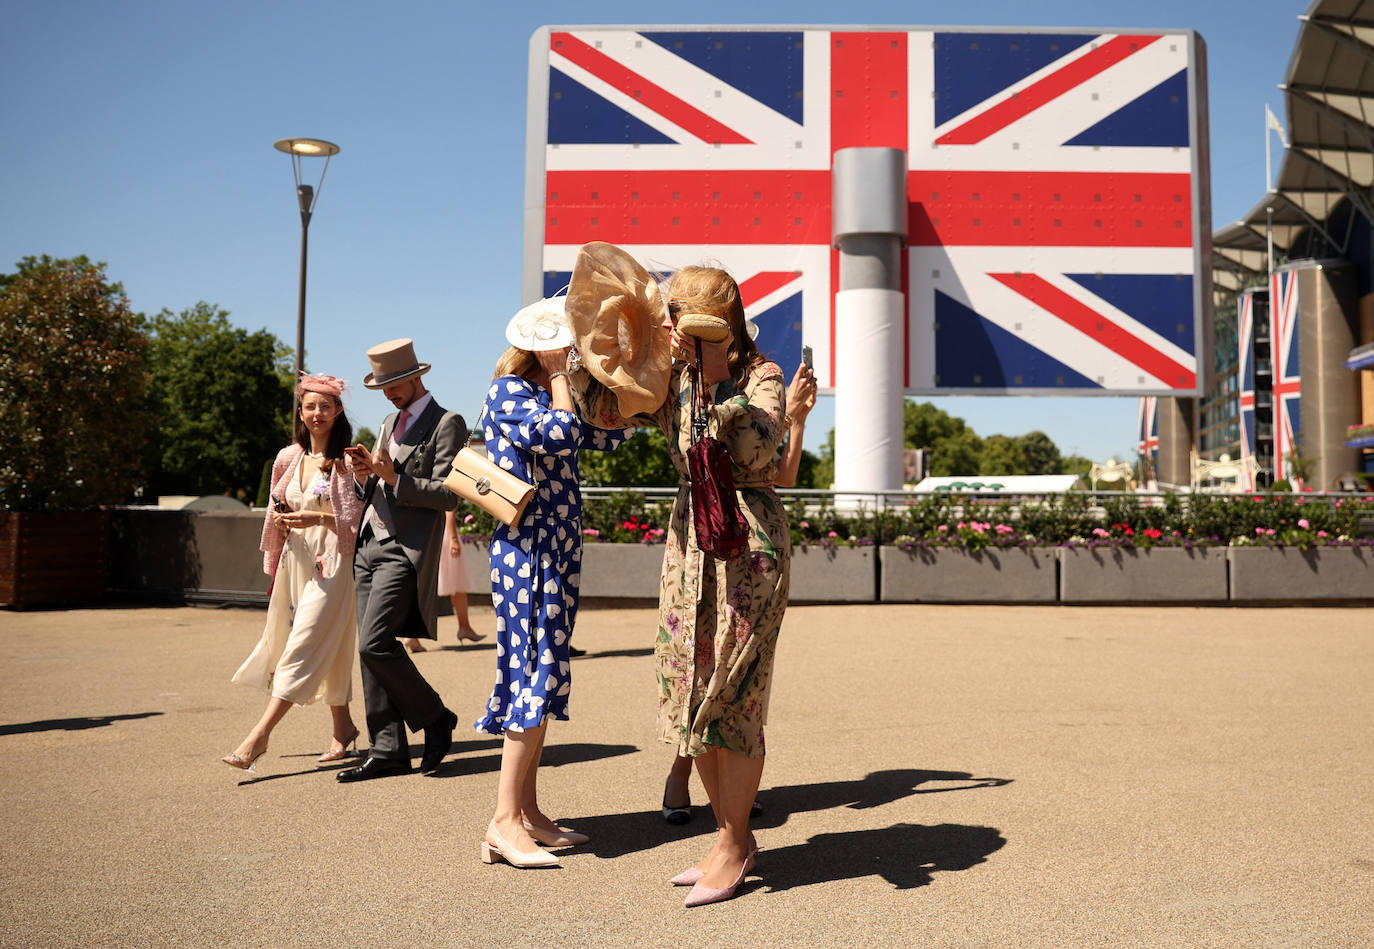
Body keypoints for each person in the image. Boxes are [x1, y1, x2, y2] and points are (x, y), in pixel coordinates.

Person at [568, 248, 797, 907]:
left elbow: (759, 450)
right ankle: (732, 837)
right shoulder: (667, 378)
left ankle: (732, 842)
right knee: (687, 693)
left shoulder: (763, 376)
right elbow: (600, 407)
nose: (682, 335)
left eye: (691, 322)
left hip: (748, 548)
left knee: (736, 693)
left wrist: (720, 373)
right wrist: (595, 337)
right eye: (676, 322)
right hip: (687, 548)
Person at [475, 299, 629, 868]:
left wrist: (614, 389)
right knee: (531, 674)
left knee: (547, 669)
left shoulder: (552, 393)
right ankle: (502, 821)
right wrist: (563, 375)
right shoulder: (510, 393)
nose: (576, 350)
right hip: (526, 553)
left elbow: (609, 437)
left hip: (557, 550)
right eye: (569, 344)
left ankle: (529, 813)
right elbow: (562, 435)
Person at [660, 357, 816, 823]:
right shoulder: (694, 384)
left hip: (747, 538)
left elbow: (781, 475)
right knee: (698, 660)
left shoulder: (763, 385)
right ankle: (690, 782)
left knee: (729, 667)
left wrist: (796, 418)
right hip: (705, 529)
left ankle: (722, 801)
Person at [337, 338, 467, 783]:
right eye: (382, 386)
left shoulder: (448, 422)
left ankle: (435, 718)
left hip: (402, 547)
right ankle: (388, 748)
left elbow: (451, 493)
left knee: (375, 643)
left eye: (394, 384)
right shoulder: (390, 420)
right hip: (368, 542)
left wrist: (393, 475)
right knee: (368, 650)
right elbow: (379, 485)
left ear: (416, 377)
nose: (389, 393)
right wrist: (364, 475)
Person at [222, 373, 363, 772]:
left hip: (335, 562)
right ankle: (344, 728)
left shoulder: (350, 460)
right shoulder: (288, 457)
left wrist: (320, 517)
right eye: (309, 406)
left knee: (302, 643)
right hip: (296, 561)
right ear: (300, 412)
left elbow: (359, 521)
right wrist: (276, 547)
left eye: (325, 406)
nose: (317, 413)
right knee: (330, 646)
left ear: (337, 411)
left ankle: (258, 737)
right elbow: (273, 509)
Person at [402, 509, 485, 653]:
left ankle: (412, 635)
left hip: (422, 534)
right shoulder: (442, 485)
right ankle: (464, 627)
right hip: (443, 535)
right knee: (457, 581)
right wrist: (453, 539)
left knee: (422, 586)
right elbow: (449, 510)